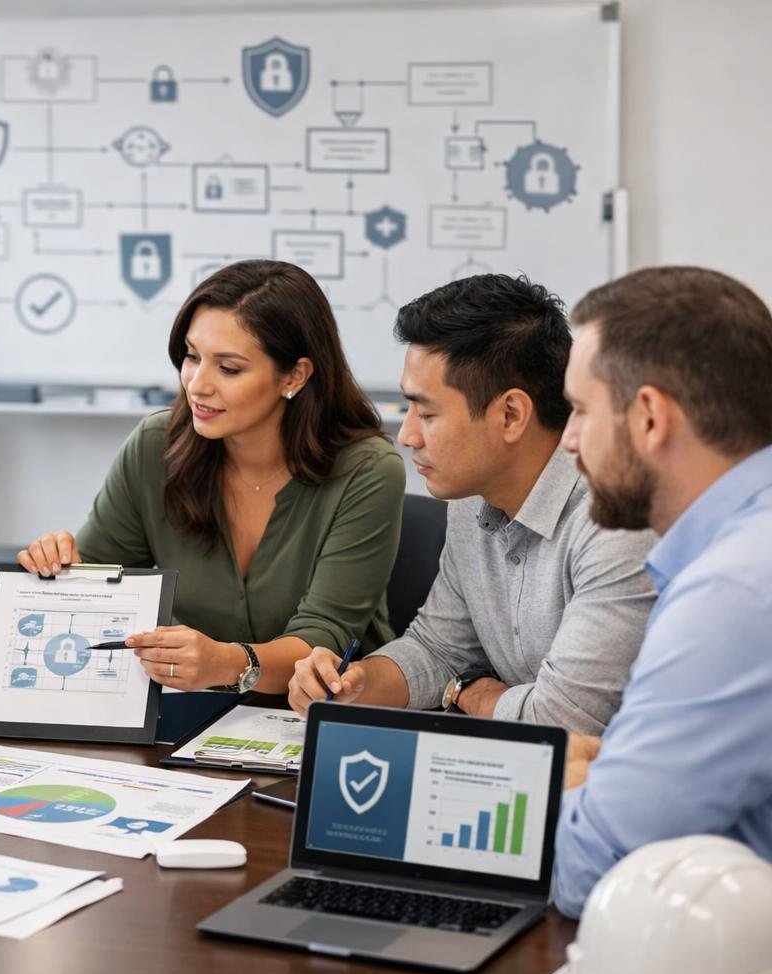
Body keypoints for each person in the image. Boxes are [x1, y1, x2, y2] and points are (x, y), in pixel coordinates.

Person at [286, 274, 657, 733]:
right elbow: (439, 648)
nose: (407, 436)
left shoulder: (617, 523)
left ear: (510, 415)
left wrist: (467, 692)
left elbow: (564, 722)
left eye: (427, 413)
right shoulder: (474, 498)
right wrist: (358, 684)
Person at [17, 260, 405, 693]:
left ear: (295, 375)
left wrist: (227, 663)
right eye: (192, 356)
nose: (197, 385)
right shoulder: (154, 446)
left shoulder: (366, 470)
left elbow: (323, 639)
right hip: (188, 711)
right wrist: (63, 566)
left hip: (319, 715)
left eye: (229, 368)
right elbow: (103, 581)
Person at [551, 266, 772, 916]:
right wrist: (615, 774)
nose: (568, 440)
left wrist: (578, 793)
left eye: (581, 410)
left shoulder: (734, 590)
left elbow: (599, 873)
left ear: (649, 417)